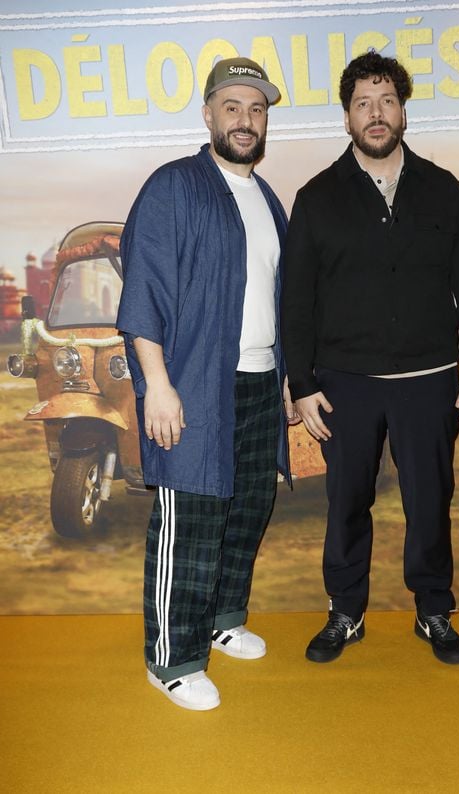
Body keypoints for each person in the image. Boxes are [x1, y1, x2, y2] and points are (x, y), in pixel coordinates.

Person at [281, 52, 459, 666]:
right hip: (344, 385)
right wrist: (301, 384)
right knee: (347, 502)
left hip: (429, 382)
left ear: (403, 109)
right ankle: (345, 613)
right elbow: (297, 303)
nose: (376, 114)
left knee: (430, 501)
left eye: (387, 101)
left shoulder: (444, 190)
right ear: (347, 117)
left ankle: (433, 609)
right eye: (362, 103)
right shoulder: (317, 197)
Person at [117, 57, 298, 710]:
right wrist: (157, 386)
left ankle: (223, 620)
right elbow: (144, 293)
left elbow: (275, 300)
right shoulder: (174, 187)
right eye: (232, 107)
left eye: (257, 109)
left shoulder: (265, 198)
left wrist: (283, 378)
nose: (245, 120)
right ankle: (172, 659)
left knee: (246, 510)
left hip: (257, 380)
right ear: (208, 115)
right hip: (193, 384)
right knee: (189, 518)